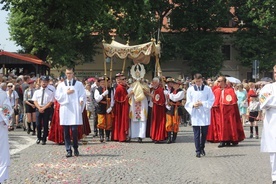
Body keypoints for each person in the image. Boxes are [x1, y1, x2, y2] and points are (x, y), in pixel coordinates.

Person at [55, 68, 86, 157]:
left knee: (74, 130)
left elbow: (82, 94)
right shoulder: (61, 85)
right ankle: (68, 149)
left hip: (75, 109)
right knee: (66, 131)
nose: (69, 75)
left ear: (73, 74)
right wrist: (66, 93)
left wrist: (81, 100)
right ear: (65, 74)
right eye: (67, 73)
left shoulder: (78, 84)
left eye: (70, 73)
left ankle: (75, 147)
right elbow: (57, 96)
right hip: (65, 109)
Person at [207, 76, 245, 147]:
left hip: (228, 113)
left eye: (219, 81)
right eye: (217, 81)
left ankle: (230, 139)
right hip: (219, 112)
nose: (218, 83)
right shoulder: (216, 90)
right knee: (220, 126)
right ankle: (222, 140)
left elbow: (233, 102)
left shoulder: (230, 90)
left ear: (224, 82)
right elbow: (213, 101)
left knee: (229, 126)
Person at [185, 73, 215, 157]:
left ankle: (202, 147)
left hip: (204, 113)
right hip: (195, 113)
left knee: (204, 133)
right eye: (196, 81)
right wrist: (193, 105)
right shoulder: (190, 90)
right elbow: (188, 102)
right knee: (196, 133)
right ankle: (197, 150)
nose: (198, 83)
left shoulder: (207, 89)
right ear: (194, 81)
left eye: (199, 81)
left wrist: (203, 103)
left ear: (202, 80)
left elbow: (211, 99)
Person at [259, 65, 276, 183]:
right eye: (275, 72)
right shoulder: (268, 87)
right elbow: (263, 101)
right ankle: (275, 176)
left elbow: (270, 100)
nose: (275, 74)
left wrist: (271, 100)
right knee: (274, 149)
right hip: (272, 120)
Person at [32, 76, 55, 145]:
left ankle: (44, 138)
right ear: (40, 82)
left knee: (45, 124)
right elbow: (35, 101)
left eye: (45, 82)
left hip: (46, 109)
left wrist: (44, 108)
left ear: (47, 83)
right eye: (42, 82)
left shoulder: (50, 92)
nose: (44, 83)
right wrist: (39, 108)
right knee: (38, 124)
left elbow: (51, 102)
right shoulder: (37, 91)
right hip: (38, 108)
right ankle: (38, 137)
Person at [0, 83, 13, 183]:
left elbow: (8, 111)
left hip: (0, 125)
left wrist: (1, 108)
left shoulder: (3, 94)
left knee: (2, 153)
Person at [94, 77, 114, 142]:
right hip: (101, 107)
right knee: (101, 122)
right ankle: (101, 136)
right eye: (101, 82)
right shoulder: (97, 90)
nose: (103, 83)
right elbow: (97, 99)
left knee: (108, 122)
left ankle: (107, 136)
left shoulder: (110, 89)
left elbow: (113, 99)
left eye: (104, 82)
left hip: (108, 107)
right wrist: (103, 94)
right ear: (99, 83)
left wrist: (111, 107)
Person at [112, 75, 130, 142]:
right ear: (120, 81)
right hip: (120, 108)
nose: (125, 81)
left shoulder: (124, 87)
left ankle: (123, 135)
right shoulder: (119, 88)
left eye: (125, 80)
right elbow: (119, 99)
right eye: (123, 80)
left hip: (123, 107)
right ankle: (120, 136)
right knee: (121, 121)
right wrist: (128, 95)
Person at [150, 77, 167, 143]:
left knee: (158, 122)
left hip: (159, 109)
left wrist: (149, 94)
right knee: (155, 122)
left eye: (154, 82)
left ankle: (158, 137)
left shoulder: (159, 90)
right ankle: (155, 136)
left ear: (157, 83)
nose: (152, 83)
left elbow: (157, 99)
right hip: (155, 108)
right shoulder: (156, 89)